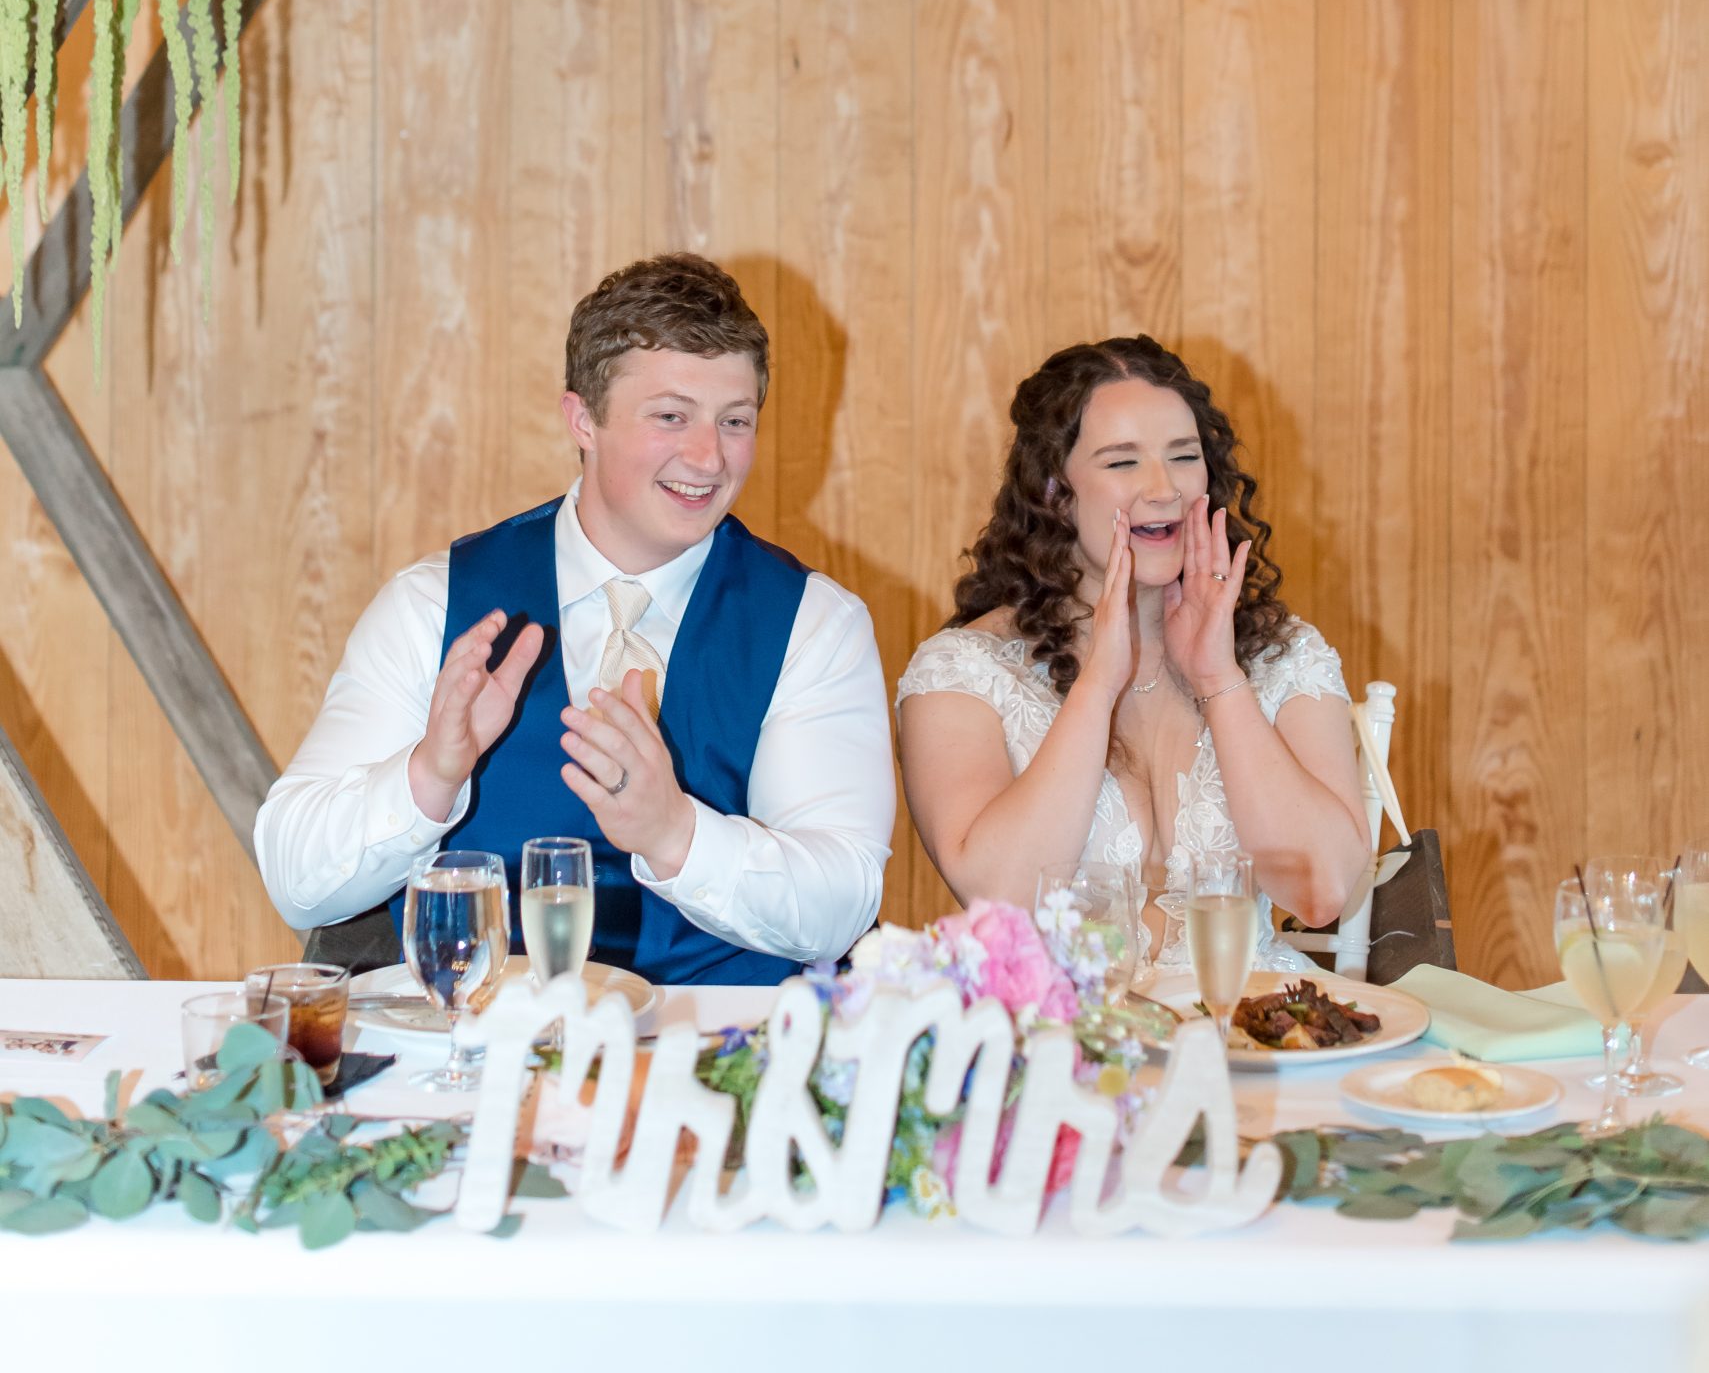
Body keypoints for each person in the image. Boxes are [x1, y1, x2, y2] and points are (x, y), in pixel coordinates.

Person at [256, 254, 895, 984]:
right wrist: (427, 777)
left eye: (734, 421)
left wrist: (674, 833)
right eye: (670, 417)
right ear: (582, 418)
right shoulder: (434, 605)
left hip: (718, 1057)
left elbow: (842, 902)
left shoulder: (815, 624)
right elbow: (294, 878)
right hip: (482, 1055)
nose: (708, 456)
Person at [897, 336, 1368, 970]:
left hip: (1250, 1028)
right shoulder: (963, 671)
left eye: (1183, 456)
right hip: (1070, 1040)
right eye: (1122, 463)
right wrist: (1096, 685)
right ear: (1052, 489)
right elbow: (1003, 902)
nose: (1164, 489)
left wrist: (1217, 676)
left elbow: (1322, 891)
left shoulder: (1282, 655)